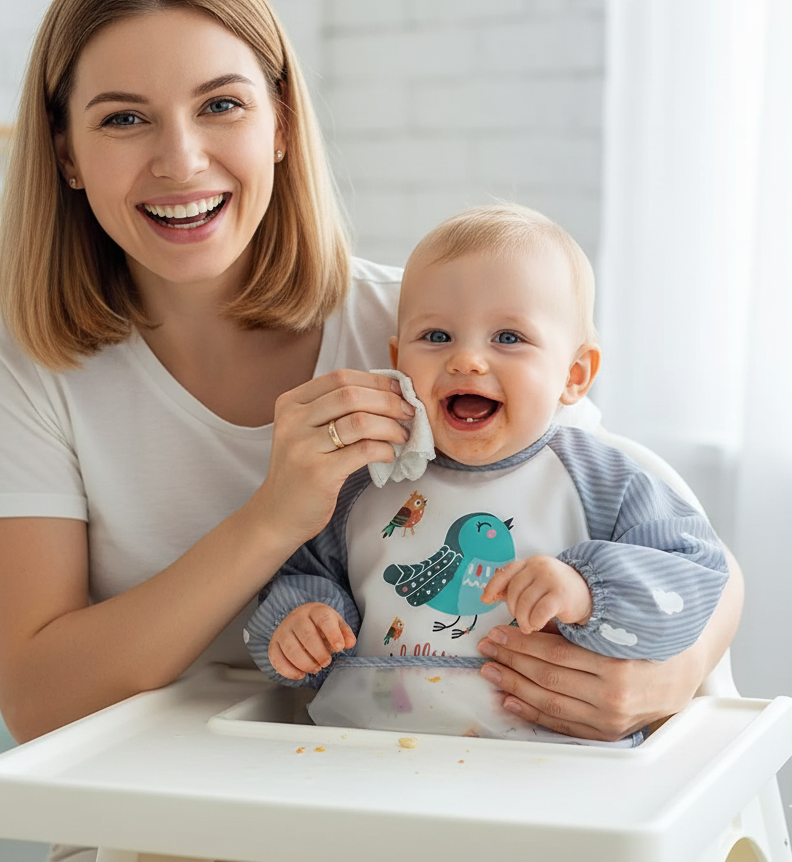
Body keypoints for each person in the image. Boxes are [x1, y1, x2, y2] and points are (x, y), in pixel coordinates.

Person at [0, 0, 742, 844]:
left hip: (417, 803)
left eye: (221, 105)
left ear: (281, 124)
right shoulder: (24, 353)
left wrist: (669, 679)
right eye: (124, 118)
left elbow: (667, 535)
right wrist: (273, 518)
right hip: (158, 813)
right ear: (66, 152)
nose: (180, 159)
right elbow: (39, 703)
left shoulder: (426, 332)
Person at [245, 205, 730, 741]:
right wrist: (301, 622)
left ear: (574, 375)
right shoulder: (367, 479)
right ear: (396, 357)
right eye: (435, 337)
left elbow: (695, 578)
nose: (467, 360)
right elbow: (299, 572)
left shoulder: (602, 480)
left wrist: (590, 590)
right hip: (367, 751)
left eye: (507, 338)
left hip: (547, 767)